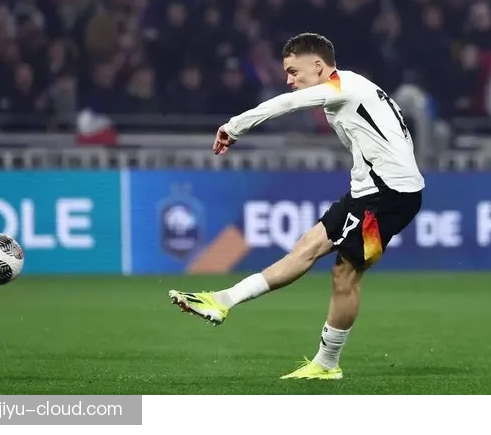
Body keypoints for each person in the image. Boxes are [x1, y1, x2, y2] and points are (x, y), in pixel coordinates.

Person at [169, 33, 425, 380]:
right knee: (306, 247)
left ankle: (326, 364)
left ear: (318, 66)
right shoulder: (355, 85)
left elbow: (286, 104)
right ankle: (222, 301)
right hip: (371, 192)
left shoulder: (340, 87)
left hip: (386, 197)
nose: (289, 80)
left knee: (345, 275)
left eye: (293, 71)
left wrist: (234, 127)